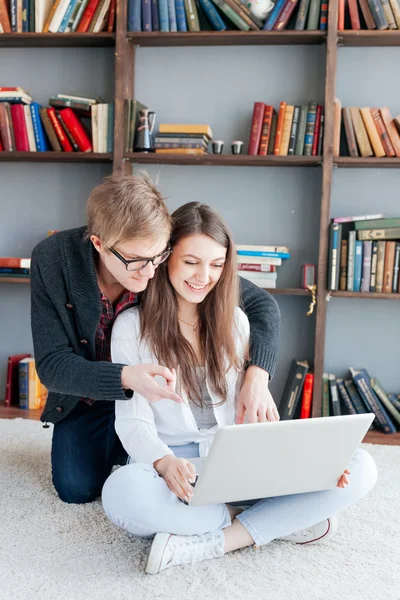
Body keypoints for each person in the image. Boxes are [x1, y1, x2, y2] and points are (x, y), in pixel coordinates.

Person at [102, 202, 377, 575]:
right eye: (191, 262)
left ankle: (221, 539)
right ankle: (277, 520)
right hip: (173, 467)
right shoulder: (131, 327)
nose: (204, 276)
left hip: (232, 463)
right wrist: (164, 463)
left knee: (360, 466)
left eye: (216, 264)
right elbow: (132, 420)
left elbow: (250, 428)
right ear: (166, 259)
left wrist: (309, 466)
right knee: (121, 492)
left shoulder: (235, 323)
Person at [30, 173, 281, 505]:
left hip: (155, 404)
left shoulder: (160, 252)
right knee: (76, 487)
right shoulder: (52, 260)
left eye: (158, 258)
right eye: (136, 261)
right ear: (99, 244)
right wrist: (126, 377)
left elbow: (261, 305)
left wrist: (257, 375)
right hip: (88, 394)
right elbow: (52, 365)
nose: (150, 273)